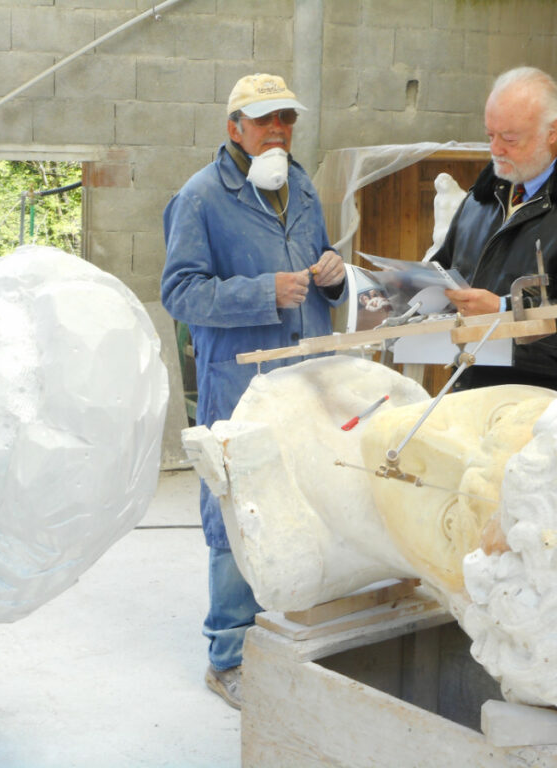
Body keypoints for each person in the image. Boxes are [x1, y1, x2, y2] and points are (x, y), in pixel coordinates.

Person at [161, 73, 347, 708]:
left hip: (304, 376)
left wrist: (334, 276)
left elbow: (321, 264)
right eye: (265, 119)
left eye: (287, 119)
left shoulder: (300, 184)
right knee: (238, 508)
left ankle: (289, 628)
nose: (278, 130)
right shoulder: (201, 197)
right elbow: (180, 291)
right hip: (238, 381)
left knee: (304, 492)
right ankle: (229, 654)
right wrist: (261, 292)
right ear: (234, 125)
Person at [433, 66, 557, 392]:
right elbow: (444, 269)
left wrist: (504, 312)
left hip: (551, 401)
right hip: (470, 383)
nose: (496, 149)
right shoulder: (485, 195)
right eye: (490, 135)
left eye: (510, 138)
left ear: (552, 132)